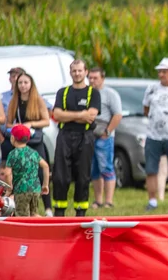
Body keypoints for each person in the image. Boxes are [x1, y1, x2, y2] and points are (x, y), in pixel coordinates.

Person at [51, 59, 100, 216]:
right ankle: (59, 211)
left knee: (83, 175)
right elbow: (57, 114)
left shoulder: (93, 93)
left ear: (86, 72)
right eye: (74, 71)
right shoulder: (63, 92)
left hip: (85, 137)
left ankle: (80, 212)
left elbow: (91, 117)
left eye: (80, 70)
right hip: (64, 136)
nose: (77, 73)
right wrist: (80, 115)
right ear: (70, 72)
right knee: (60, 176)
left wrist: (68, 115)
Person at [6, 71, 55, 215]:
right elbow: (8, 123)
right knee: (19, 173)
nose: (23, 85)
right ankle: (19, 204)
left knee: (40, 172)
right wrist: (17, 127)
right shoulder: (14, 100)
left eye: (26, 82)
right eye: (20, 83)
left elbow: (46, 121)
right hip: (20, 140)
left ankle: (47, 207)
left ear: (31, 84)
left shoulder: (38, 100)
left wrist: (31, 124)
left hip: (35, 140)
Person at [143, 58, 168, 211]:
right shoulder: (151, 88)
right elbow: (146, 109)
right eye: (159, 71)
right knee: (151, 169)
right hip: (154, 135)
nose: (161, 74)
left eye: (164, 71)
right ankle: (152, 201)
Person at [87, 67, 123, 209]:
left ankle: (109, 201)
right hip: (90, 135)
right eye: (90, 77)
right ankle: (98, 200)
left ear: (102, 78)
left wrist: (108, 131)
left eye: (95, 78)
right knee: (94, 169)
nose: (92, 80)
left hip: (104, 137)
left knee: (106, 167)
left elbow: (117, 114)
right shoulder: (87, 93)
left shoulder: (110, 94)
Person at [7, 124, 50, 217]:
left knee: (22, 216)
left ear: (13, 138)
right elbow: (46, 166)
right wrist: (45, 185)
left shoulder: (13, 154)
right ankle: (46, 226)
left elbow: (7, 173)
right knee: (34, 213)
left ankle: (25, 231)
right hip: (35, 189)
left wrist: (9, 188)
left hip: (21, 190)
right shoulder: (33, 152)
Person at [0, 66, 25, 160]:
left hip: (26, 139)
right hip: (7, 139)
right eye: (13, 76)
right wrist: (1, 139)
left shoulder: (32, 96)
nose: (15, 79)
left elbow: (49, 110)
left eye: (17, 76)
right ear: (9, 79)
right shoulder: (1, 97)